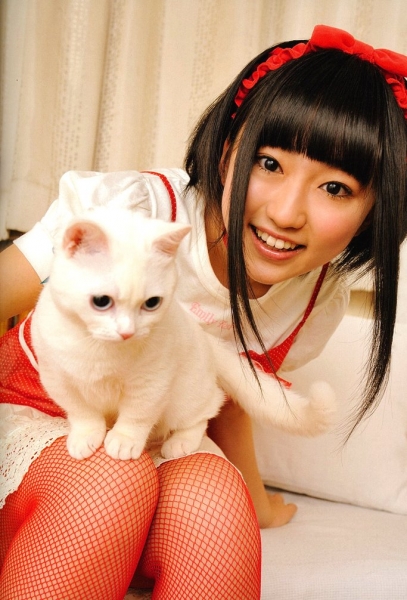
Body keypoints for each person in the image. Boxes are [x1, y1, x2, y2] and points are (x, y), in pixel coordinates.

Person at [1, 23, 407, 599]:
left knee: (216, 510)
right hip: (43, 409)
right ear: (226, 151)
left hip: (156, 431)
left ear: (376, 209)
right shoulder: (137, 212)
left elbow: (229, 391)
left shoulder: (317, 297)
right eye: (269, 163)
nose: (287, 213)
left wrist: (257, 502)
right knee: (108, 483)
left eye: (336, 188)